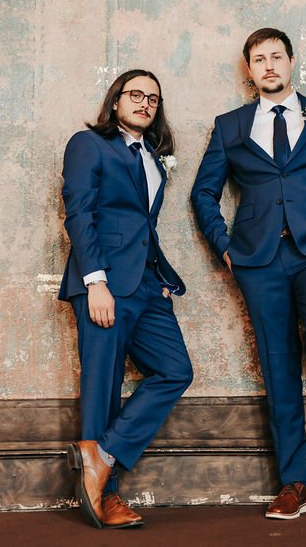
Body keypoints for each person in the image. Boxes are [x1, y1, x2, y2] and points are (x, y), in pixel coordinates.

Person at [191, 28, 306, 519]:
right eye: (258, 59)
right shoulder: (229, 126)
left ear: (291, 61)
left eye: (276, 56)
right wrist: (225, 247)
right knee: (276, 368)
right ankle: (294, 483)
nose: (268, 65)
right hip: (257, 259)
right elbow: (203, 193)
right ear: (249, 70)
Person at [59, 69, 193, 529]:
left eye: (153, 98)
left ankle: (103, 455)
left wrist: (157, 276)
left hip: (145, 285)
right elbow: (78, 212)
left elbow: (142, 225)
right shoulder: (88, 144)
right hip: (104, 282)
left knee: (175, 370)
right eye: (135, 94)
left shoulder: (154, 157)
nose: (145, 103)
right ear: (116, 101)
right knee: (103, 386)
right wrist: (95, 281)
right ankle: (106, 497)